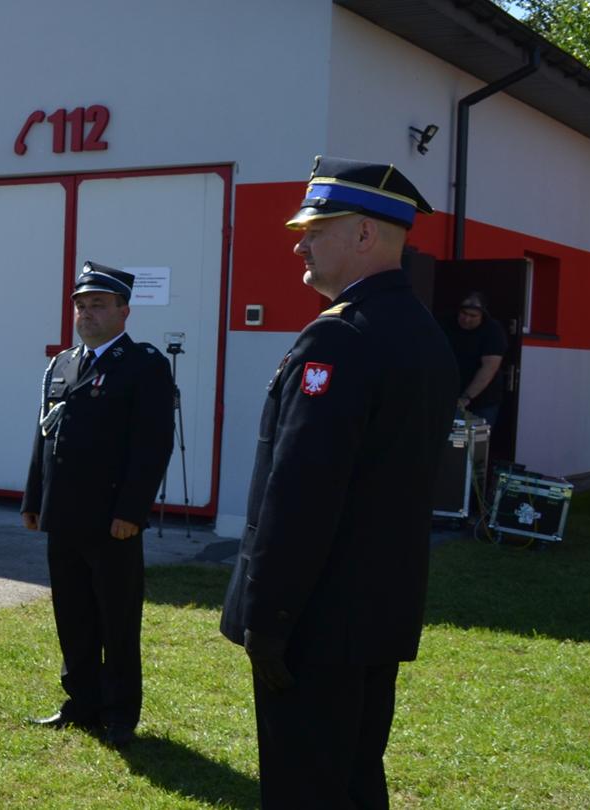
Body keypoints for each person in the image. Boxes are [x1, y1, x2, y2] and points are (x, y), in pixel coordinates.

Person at [219, 157, 455, 808]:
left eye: (316, 228)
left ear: (364, 236)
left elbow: (301, 495)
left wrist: (269, 618)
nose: (299, 241)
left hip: (315, 625)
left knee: (306, 788)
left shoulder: (343, 340)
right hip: (375, 615)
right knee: (353, 780)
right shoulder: (421, 334)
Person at [21, 262, 175, 747]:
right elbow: (45, 434)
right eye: (81, 306)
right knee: (73, 614)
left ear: (124, 311)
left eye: (98, 305)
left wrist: (132, 511)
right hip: (63, 515)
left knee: (117, 619)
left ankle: (120, 713)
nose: (87, 314)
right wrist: (33, 497)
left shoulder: (144, 365)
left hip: (112, 522)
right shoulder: (64, 363)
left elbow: (152, 446)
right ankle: (81, 702)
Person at [444, 291, 506, 425]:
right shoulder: (446, 323)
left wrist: (466, 397)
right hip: (448, 398)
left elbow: (489, 368)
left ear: (482, 315)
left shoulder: (493, 331)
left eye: (473, 316)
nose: (466, 319)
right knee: (452, 443)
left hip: (481, 401)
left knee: (475, 444)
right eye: (464, 314)